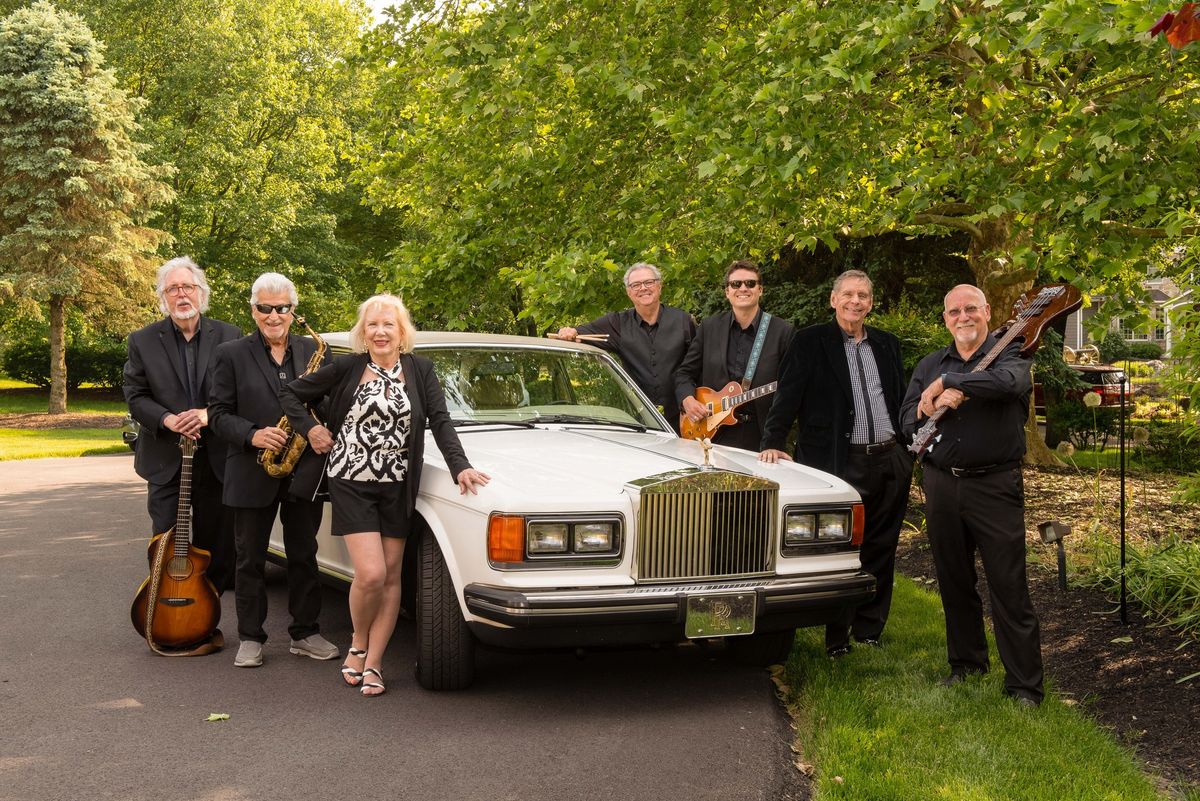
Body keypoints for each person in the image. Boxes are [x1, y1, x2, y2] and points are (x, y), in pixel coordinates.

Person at [279, 294, 490, 697]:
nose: (380, 331)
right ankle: (358, 642)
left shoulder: (421, 370)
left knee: (392, 578)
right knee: (371, 573)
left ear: (401, 332)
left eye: (388, 325)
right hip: (351, 479)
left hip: (397, 484)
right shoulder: (346, 367)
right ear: (364, 332)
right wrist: (311, 428)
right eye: (373, 325)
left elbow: (441, 421)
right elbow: (289, 394)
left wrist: (459, 465)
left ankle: (374, 662)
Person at [900, 284, 1044, 707]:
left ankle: (1024, 686)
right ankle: (966, 665)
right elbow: (906, 418)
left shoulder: (1012, 355)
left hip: (994, 485)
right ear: (945, 319)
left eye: (971, 309)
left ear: (986, 311)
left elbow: (1009, 384)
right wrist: (926, 407)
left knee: (1008, 584)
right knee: (954, 580)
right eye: (954, 312)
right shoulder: (930, 364)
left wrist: (956, 381)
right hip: (942, 483)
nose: (963, 317)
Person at [759, 269, 912, 656]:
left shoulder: (887, 344)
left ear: (871, 303)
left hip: (889, 457)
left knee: (882, 545)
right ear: (833, 300)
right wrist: (773, 441)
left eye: (863, 295)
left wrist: (908, 447)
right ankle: (837, 635)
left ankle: (870, 630)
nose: (855, 301)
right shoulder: (810, 342)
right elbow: (788, 395)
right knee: (842, 547)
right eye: (848, 294)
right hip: (838, 461)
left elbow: (898, 399)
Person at [208, 273, 338, 669]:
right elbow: (217, 415)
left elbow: (330, 404)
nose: (274, 315)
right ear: (253, 310)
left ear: (292, 311)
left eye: (282, 307)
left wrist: (320, 426)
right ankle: (250, 637)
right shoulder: (230, 354)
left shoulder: (316, 350)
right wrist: (252, 435)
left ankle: (305, 632)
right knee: (248, 558)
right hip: (253, 466)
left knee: (304, 553)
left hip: (305, 469)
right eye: (265, 307)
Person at [123, 257, 241, 594]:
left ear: (201, 293)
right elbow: (135, 395)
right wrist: (169, 419)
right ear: (163, 297)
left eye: (187, 287)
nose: (181, 294)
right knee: (165, 543)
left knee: (217, 551)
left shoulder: (230, 336)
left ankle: (209, 615)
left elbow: (241, 391)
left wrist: (206, 414)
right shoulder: (142, 340)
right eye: (172, 289)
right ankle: (166, 612)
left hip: (215, 458)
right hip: (165, 459)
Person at [556, 263, 696, 432]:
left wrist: (691, 400)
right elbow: (578, 333)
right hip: (639, 422)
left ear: (659, 286)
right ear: (629, 292)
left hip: (685, 416)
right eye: (635, 285)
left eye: (649, 282)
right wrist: (568, 331)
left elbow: (698, 366)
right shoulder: (617, 324)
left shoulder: (684, 321)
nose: (643, 288)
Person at [675, 259, 794, 451]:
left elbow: (791, 393)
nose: (743, 288)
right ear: (727, 292)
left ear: (760, 290)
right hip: (710, 433)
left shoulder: (782, 332)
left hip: (761, 437)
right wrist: (687, 399)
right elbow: (684, 373)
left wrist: (775, 441)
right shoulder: (709, 327)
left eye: (750, 283)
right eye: (736, 284)